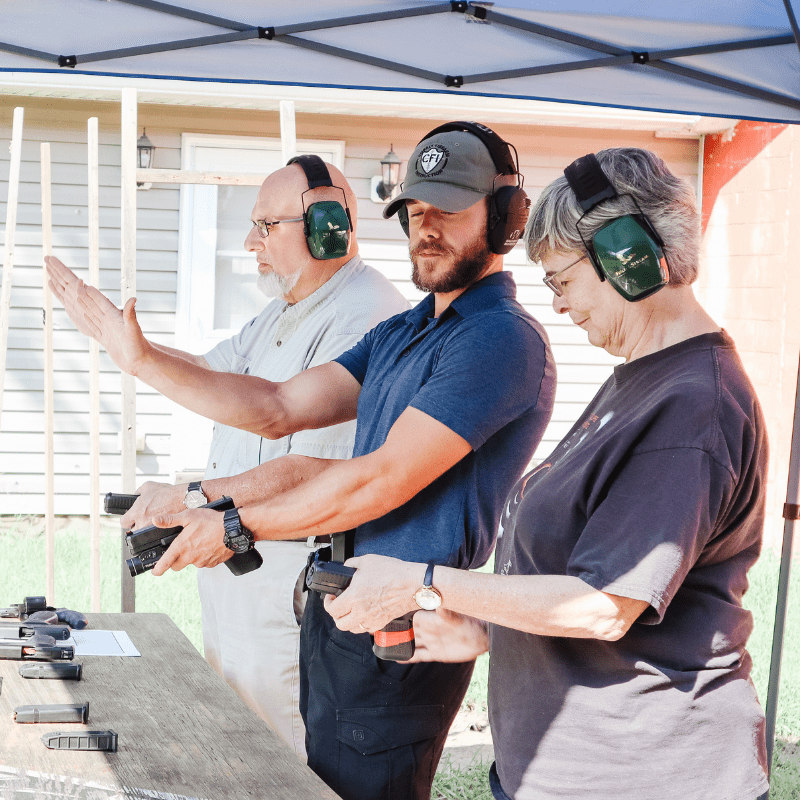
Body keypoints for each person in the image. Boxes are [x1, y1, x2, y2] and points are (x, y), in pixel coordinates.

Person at [51, 121, 557, 800]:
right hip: (342, 614)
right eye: (414, 210)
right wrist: (140, 362)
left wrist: (233, 524)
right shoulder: (403, 331)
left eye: (449, 210)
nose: (425, 228)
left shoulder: (499, 340)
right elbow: (279, 405)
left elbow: (378, 479)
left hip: (401, 637)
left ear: (503, 218)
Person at [323, 148, 770, 800]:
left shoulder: (693, 407)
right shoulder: (642, 381)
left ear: (628, 258)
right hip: (565, 768)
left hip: (643, 776)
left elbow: (602, 605)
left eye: (561, 279)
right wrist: (482, 630)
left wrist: (420, 583)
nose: (558, 306)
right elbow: (585, 578)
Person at [46, 155, 410, 758]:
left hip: (285, 578)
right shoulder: (288, 308)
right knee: (244, 749)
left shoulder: (364, 313)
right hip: (244, 566)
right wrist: (125, 344)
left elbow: (303, 467)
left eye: (266, 226)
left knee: (281, 759)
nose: (250, 243)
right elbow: (212, 373)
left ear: (328, 227)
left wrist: (194, 495)